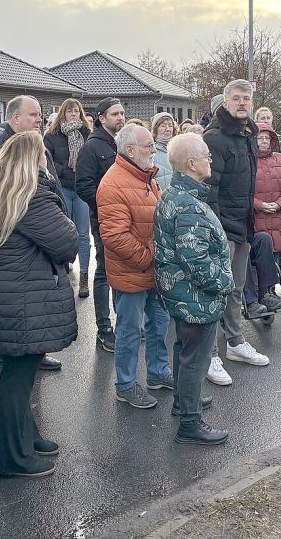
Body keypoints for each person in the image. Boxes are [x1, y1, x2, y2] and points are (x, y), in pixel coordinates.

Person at [0, 131, 78, 478]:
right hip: (21, 297)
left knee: (22, 374)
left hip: (8, 293)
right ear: (35, 158)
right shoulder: (31, 194)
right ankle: (11, 458)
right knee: (17, 378)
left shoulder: (1, 187)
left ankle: (25, 437)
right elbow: (67, 242)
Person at [154, 133, 233, 445]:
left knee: (184, 350)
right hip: (196, 297)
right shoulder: (188, 205)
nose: (210, 161)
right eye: (206, 156)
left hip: (182, 294)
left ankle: (183, 401)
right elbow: (197, 261)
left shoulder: (176, 194)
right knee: (194, 358)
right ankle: (190, 423)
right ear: (190, 163)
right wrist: (226, 283)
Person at [96, 123, 173, 408]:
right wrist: (148, 259)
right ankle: (125, 384)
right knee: (129, 331)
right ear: (130, 150)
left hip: (153, 269)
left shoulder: (146, 177)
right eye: (148, 146)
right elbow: (114, 236)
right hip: (133, 272)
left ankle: (157, 373)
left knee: (159, 324)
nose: (154, 150)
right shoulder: (113, 183)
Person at [203, 79, 269, 385]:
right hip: (222, 227)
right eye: (236, 99)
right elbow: (208, 187)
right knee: (215, 290)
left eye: (247, 99)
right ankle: (209, 354)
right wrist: (216, 229)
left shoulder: (248, 135)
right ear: (225, 103)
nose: (242, 103)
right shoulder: (214, 137)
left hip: (244, 225)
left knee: (236, 288)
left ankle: (235, 342)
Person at [74, 97, 125, 353]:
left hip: (126, 218)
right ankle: (104, 328)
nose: (120, 117)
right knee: (105, 269)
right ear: (101, 118)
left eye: (122, 113)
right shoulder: (92, 147)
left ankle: (124, 325)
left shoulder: (122, 143)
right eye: (115, 114)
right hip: (104, 217)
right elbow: (83, 185)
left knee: (122, 270)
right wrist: (107, 205)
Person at [44, 98, 93, 298]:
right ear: (63, 113)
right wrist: (63, 171)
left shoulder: (87, 134)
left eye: (76, 111)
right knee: (64, 231)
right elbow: (47, 161)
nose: (73, 114)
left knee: (83, 234)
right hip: (62, 188)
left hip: (80, 189)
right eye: (70, 111)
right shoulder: (52, 135)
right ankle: (64, 270)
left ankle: (83, 277)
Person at [246, 122, 281, 313]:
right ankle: (257, 295)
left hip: (279, 215)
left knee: (274, 256)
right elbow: (244, 189)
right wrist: (259, 205)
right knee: (257, 254)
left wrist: (280, 203)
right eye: (260, 137)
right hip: (257, 218)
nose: (264, 141)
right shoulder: (248, 161)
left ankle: (269, 294)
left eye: (267, 138)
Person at [151, 112, 177, 191]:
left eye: (170, 125)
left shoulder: (179, 149)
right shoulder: (151, 152)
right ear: (156, 129)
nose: (168, 129)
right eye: (163, 125)